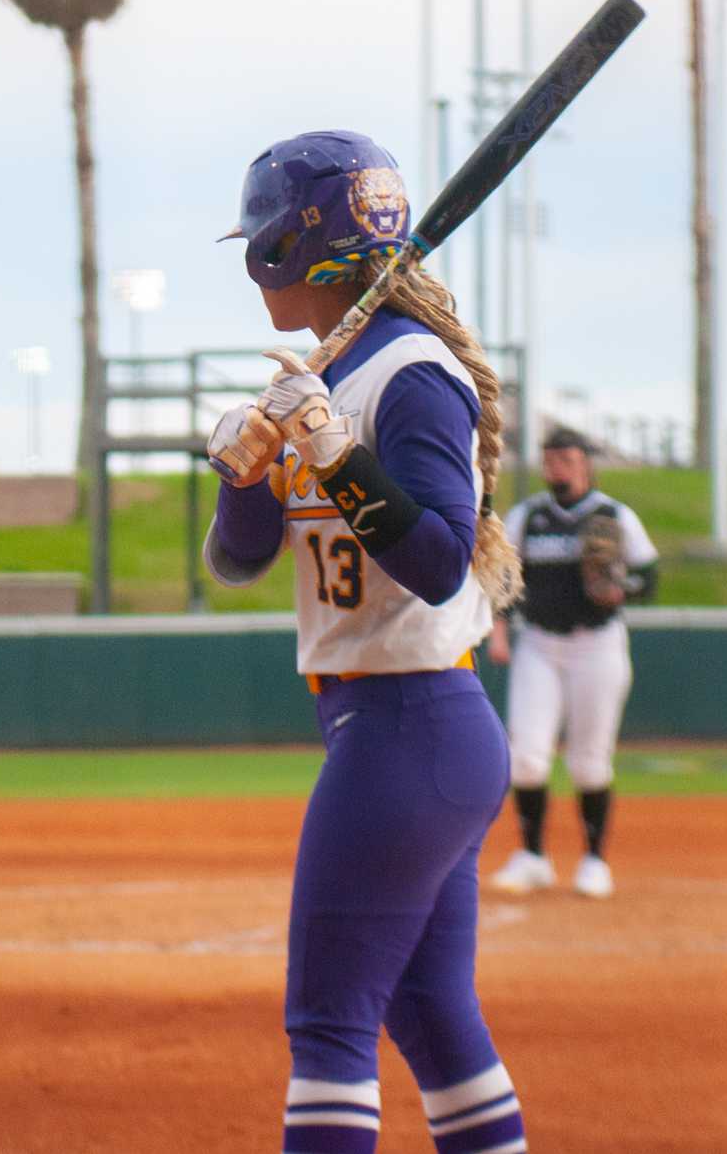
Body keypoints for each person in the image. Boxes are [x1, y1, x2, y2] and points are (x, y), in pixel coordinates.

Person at [204, 131, 526, 1154]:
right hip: (403, 733)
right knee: (430, 1018)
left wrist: (335, 450)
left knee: (328, 1026)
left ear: (297, 248)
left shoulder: (410, 377)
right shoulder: (327, 373)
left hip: (407, 726)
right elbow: (237, 562)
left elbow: (436, 561)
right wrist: (243, 474)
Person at [487, 426, 660, 900]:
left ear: (585, 464)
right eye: (549, 459)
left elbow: (650, 576)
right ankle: (533, 857)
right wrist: (499, 629)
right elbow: (504, 578)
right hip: (539, 645)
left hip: (597, 646)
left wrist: (624, 590)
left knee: (589, 761)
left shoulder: (613, 515)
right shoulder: (528, 516)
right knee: (525, 757)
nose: (554, 467)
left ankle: (594, 861)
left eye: (564, 458)